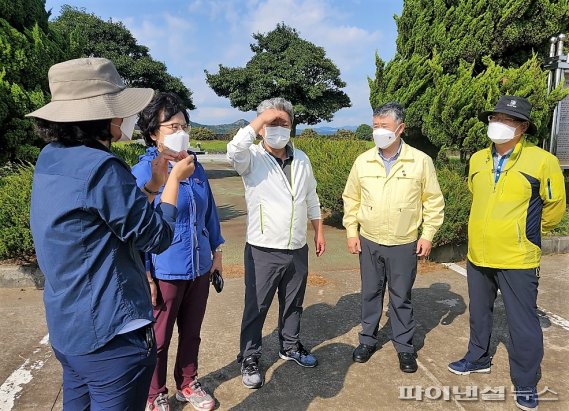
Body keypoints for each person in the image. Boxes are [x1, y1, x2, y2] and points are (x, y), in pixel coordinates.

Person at [28, 57, 196, 410]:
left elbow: (110, 221)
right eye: (117, 108)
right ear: (99, 116)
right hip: (111, 336)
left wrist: (150, 186)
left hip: (69, 329)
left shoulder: (52, 158)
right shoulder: (103, 167)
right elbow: (158, 236)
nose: (124, 117)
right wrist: (172, 182)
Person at [448, 96, 566, 411]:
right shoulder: (476, 159)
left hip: (518, 258)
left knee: (522, 323)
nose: (499, 123)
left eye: (509, 119)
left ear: (523, 127)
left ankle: (526, 384)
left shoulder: (543, 161)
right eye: (496, 117)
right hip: (478, 255)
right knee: (479, 312)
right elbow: (478, 196)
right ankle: (477, 358)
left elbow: (554, 207)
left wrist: (526, 233)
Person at [132, 92, 223, 411]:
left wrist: (217, 254)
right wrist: (146, 273)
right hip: (164, 270)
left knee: (192, 333)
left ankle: (188, 383)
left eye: (184, 125)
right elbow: (136, 228)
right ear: (153, 133)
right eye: (172, 126)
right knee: (158, 338)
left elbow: (209, 212)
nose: (180, 131)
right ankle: (154, 392)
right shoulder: (143, 174)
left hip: (198, 267)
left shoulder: (195, 168)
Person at [227, 97, 325, 389]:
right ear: (260, 127)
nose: (278, 128)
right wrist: (260, 120)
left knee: (293, 303)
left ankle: (290, 346)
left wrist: (318, 231)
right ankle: (250, 356)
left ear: (292, 126)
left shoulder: (302, 158)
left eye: (283, 122)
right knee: (256, 306)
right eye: (272, 123)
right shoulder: (252, 158)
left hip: (297, 247)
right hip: (263, 248)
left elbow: (311, 196)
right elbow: (233, 150)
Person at [342, 102, 444, 373]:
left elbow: (433, 201)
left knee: (401, 297)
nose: (378, 132)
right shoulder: (363, 161)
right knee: (370, 293)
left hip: (404, 242)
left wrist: (428, 235)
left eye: (384, 127)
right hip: (370, 240)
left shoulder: (420, 161)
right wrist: (352, 232)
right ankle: (367, 340)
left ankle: (405, 347)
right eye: (375, 126)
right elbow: (351, 198)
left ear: (400, 129)